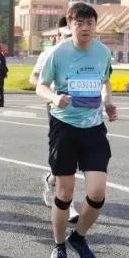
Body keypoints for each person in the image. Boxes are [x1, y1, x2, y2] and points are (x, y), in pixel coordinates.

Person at [35, 1, 117, 258]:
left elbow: (105, 82)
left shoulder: (103, 52)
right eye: (79, 23)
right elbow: (40, 86)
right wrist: (54, 97)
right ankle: (59, 246)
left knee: (97, 192)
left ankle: (78, 237)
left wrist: (108, 102)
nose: (85, 27)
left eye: (89, 23)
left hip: (94, 128)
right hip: (64, 128)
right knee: (65, 192)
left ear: (95, 26)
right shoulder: (57, 53)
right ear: (69, 26)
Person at [30, 18, 78, 223]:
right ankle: (69, 203)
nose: (68, 39)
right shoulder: (49, 54)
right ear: (58, 35)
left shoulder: (85, 54)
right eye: (65, 35)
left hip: (82, 111)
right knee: (64, 153)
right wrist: (51, 93)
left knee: (73, 155)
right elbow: (34, 78)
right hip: (57, 108)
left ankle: (51, 179)